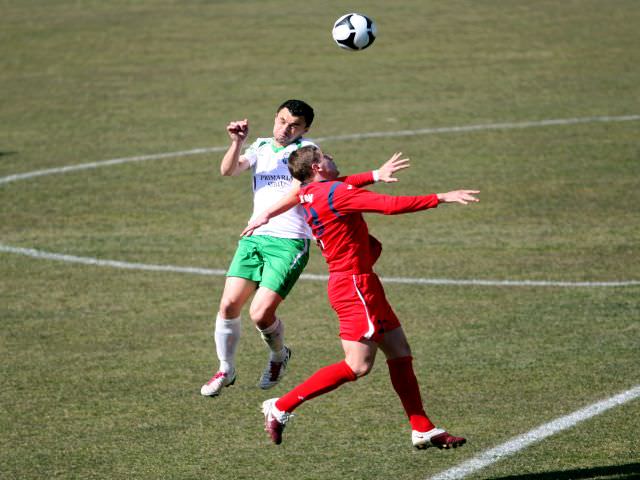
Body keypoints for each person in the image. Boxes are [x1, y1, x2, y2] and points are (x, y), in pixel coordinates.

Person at [253, 145, 479, 449]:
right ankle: (281, 407)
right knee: (357, 366)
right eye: (327, 157)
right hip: (354, 287)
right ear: (318, 168)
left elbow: (344, 182)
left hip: (360, 282)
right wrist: (440, 197)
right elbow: (390, 205)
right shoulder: (336, 194)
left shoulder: (311, 193)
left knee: (399, 350)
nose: (333, 158)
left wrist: (374, 175)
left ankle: (422, 427)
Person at [201, 100, 411, 397]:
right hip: (253, 237)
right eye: (282, 121)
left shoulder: (306, 152)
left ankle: (278, 356)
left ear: (305, 129)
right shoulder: (260, 146)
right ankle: (226, 368)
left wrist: (374, 175)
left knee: (260, 315)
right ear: (275, 118)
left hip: (289, 241)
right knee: (228, 306)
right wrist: (237, 142)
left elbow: (326, 186)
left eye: (294, 125)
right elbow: (228, 170)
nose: (285, 129)